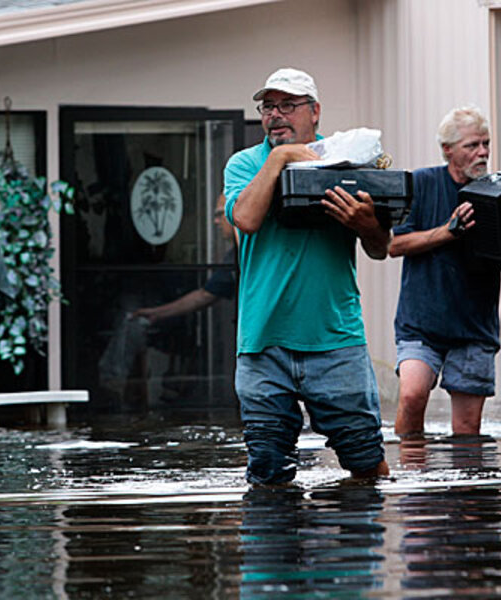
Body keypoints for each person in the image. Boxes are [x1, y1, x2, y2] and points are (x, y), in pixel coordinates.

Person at [223, 67, 391, 484]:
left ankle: (358, 541)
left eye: (288, 105)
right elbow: (244, 218)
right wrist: (281, 157)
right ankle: (273, 547)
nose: (276, 115)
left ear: (314, 112)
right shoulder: (245, 164)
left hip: (335, 339)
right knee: (267, 469)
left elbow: (380, 248)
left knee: (366, 461)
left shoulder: (347, 160)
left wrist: (367, 222)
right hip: (263, 343)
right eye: (268, 106)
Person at [389, 106, 501, 439]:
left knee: (467, 429)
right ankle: (412, 482)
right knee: (411, 396)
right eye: (472, 146)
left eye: (486, 143)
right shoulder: (421, 183)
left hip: (474, 328)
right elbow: (395, 245)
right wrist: (447, 232)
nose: (482, 152)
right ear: (447, 150)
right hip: (421, 323)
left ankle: (466, 492)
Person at [131, 194, 237, 324]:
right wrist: (157, 313)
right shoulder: (234, 257)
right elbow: (205, 295)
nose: (216, 221)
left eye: (220, 214)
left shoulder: (257, 252)